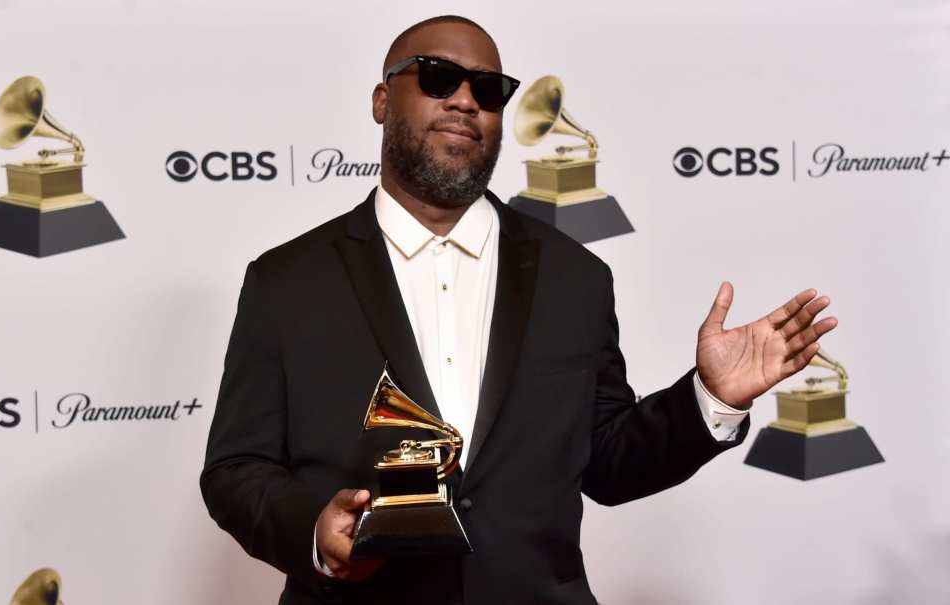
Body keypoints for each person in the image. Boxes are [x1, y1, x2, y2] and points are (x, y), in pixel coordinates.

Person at [200, 15, 837, 605]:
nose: (465, 100)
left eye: (490, 88)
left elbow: (608, 462)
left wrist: (710, 398)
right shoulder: (287, 281)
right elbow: (236, 470)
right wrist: (313, 528)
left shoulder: (576, 278)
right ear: (381, 99)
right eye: (438, 76)